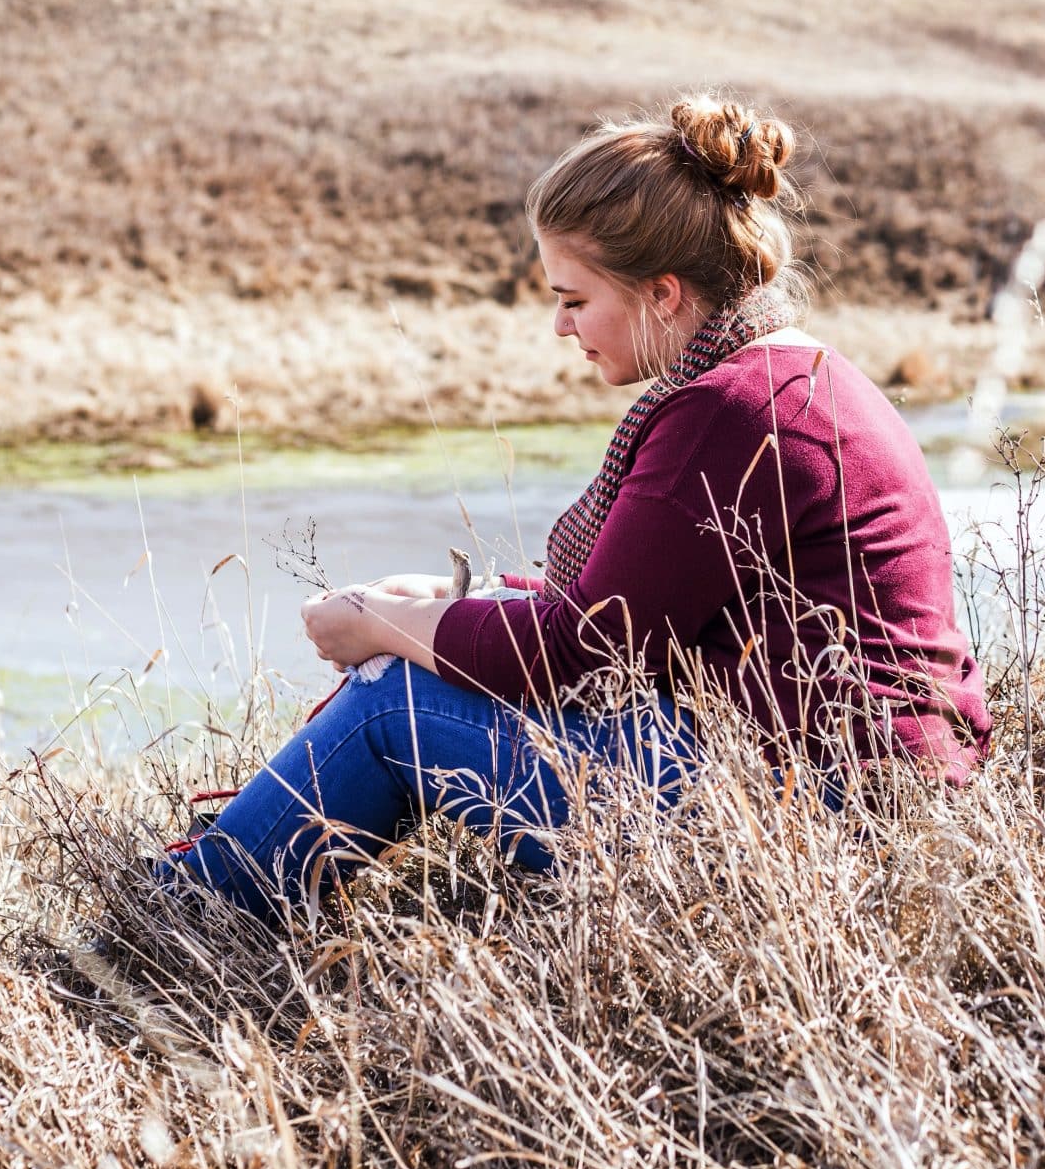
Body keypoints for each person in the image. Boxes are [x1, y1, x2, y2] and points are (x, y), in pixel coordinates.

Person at [154, 94, 990, 922]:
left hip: (814, 818)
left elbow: (582, 653)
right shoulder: (792, 377)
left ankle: (189, 911)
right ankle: (230, 865)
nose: (560, 326)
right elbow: (640, 610)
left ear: (662, 293)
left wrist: (376, 623)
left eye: (575, 299)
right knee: (424, 657)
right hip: (868, 793)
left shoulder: (733, 412)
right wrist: (460, 601)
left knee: (390, 704)